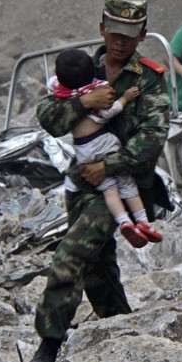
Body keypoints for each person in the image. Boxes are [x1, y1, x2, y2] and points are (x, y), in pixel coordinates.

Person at [25, 0, 170, 362]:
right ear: (102, 28)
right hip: (82, 185)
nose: (120, 41)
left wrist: (108, 166)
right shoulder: (79, 71)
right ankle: (121, 327)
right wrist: (82, 104)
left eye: (130, 32)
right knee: (98, 266)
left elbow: (152, 138)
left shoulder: (149, 80)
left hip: (123, 185)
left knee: (71, 254)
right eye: (115, 31)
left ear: (143, 33)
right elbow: (48, 115)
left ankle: (49, 344)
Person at [52, 48, 163, 249]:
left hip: (83, 152)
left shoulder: (61, 93)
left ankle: (124, 222)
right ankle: (144, 222)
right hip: (103, 143)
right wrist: (125, 98)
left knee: (109, 191)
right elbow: (109, 112)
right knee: (127, 186)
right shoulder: (96, 93)